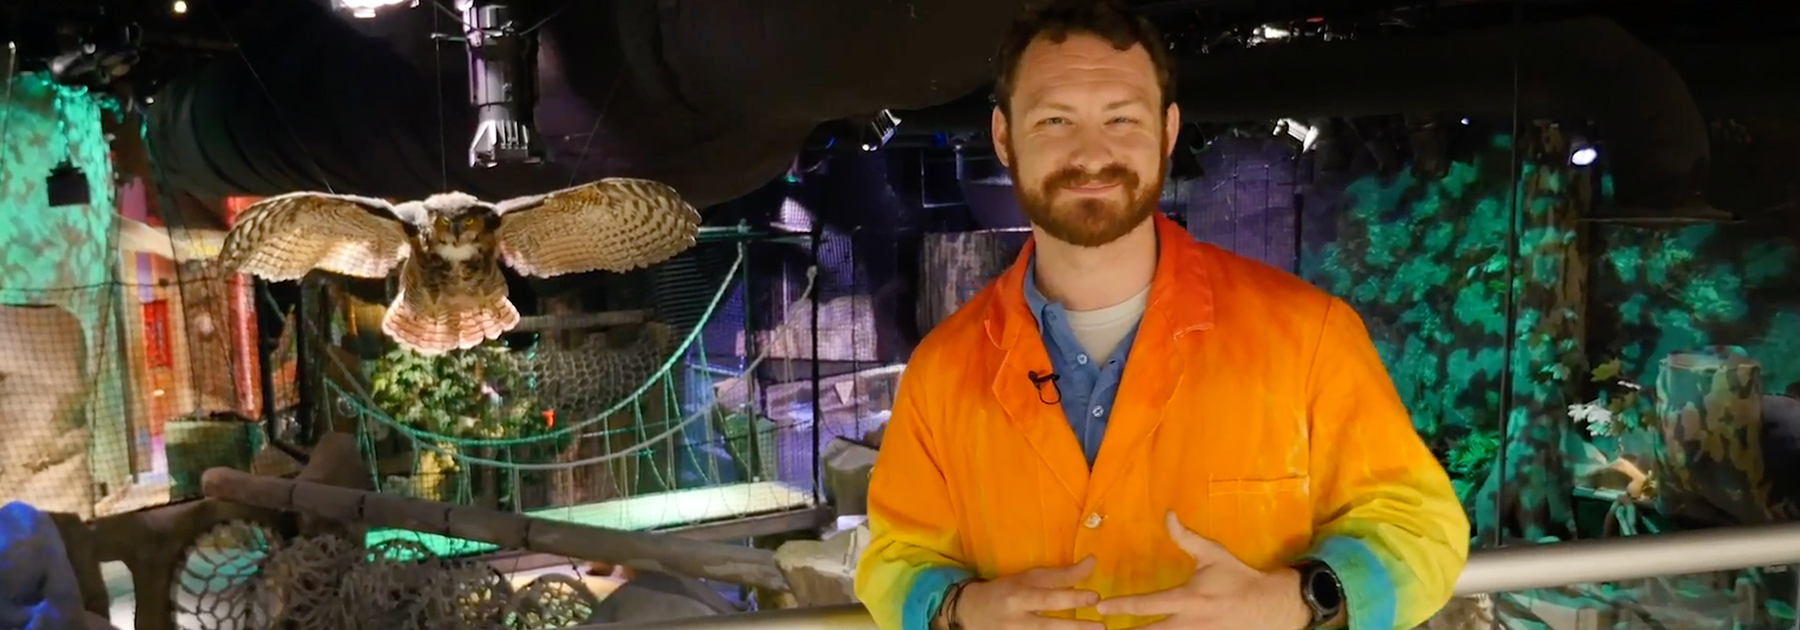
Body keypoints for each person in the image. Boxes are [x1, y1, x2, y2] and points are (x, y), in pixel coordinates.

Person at [852, 2, 1469, 630]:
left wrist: (1295, 600)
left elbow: (1421, 532)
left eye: (1122, 118)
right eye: (1055, 119)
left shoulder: (1308, 336)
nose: (1092, 154)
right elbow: (894, 560)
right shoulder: (942, 371)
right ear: (1004, 137)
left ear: (1168, 131)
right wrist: (959, 610)